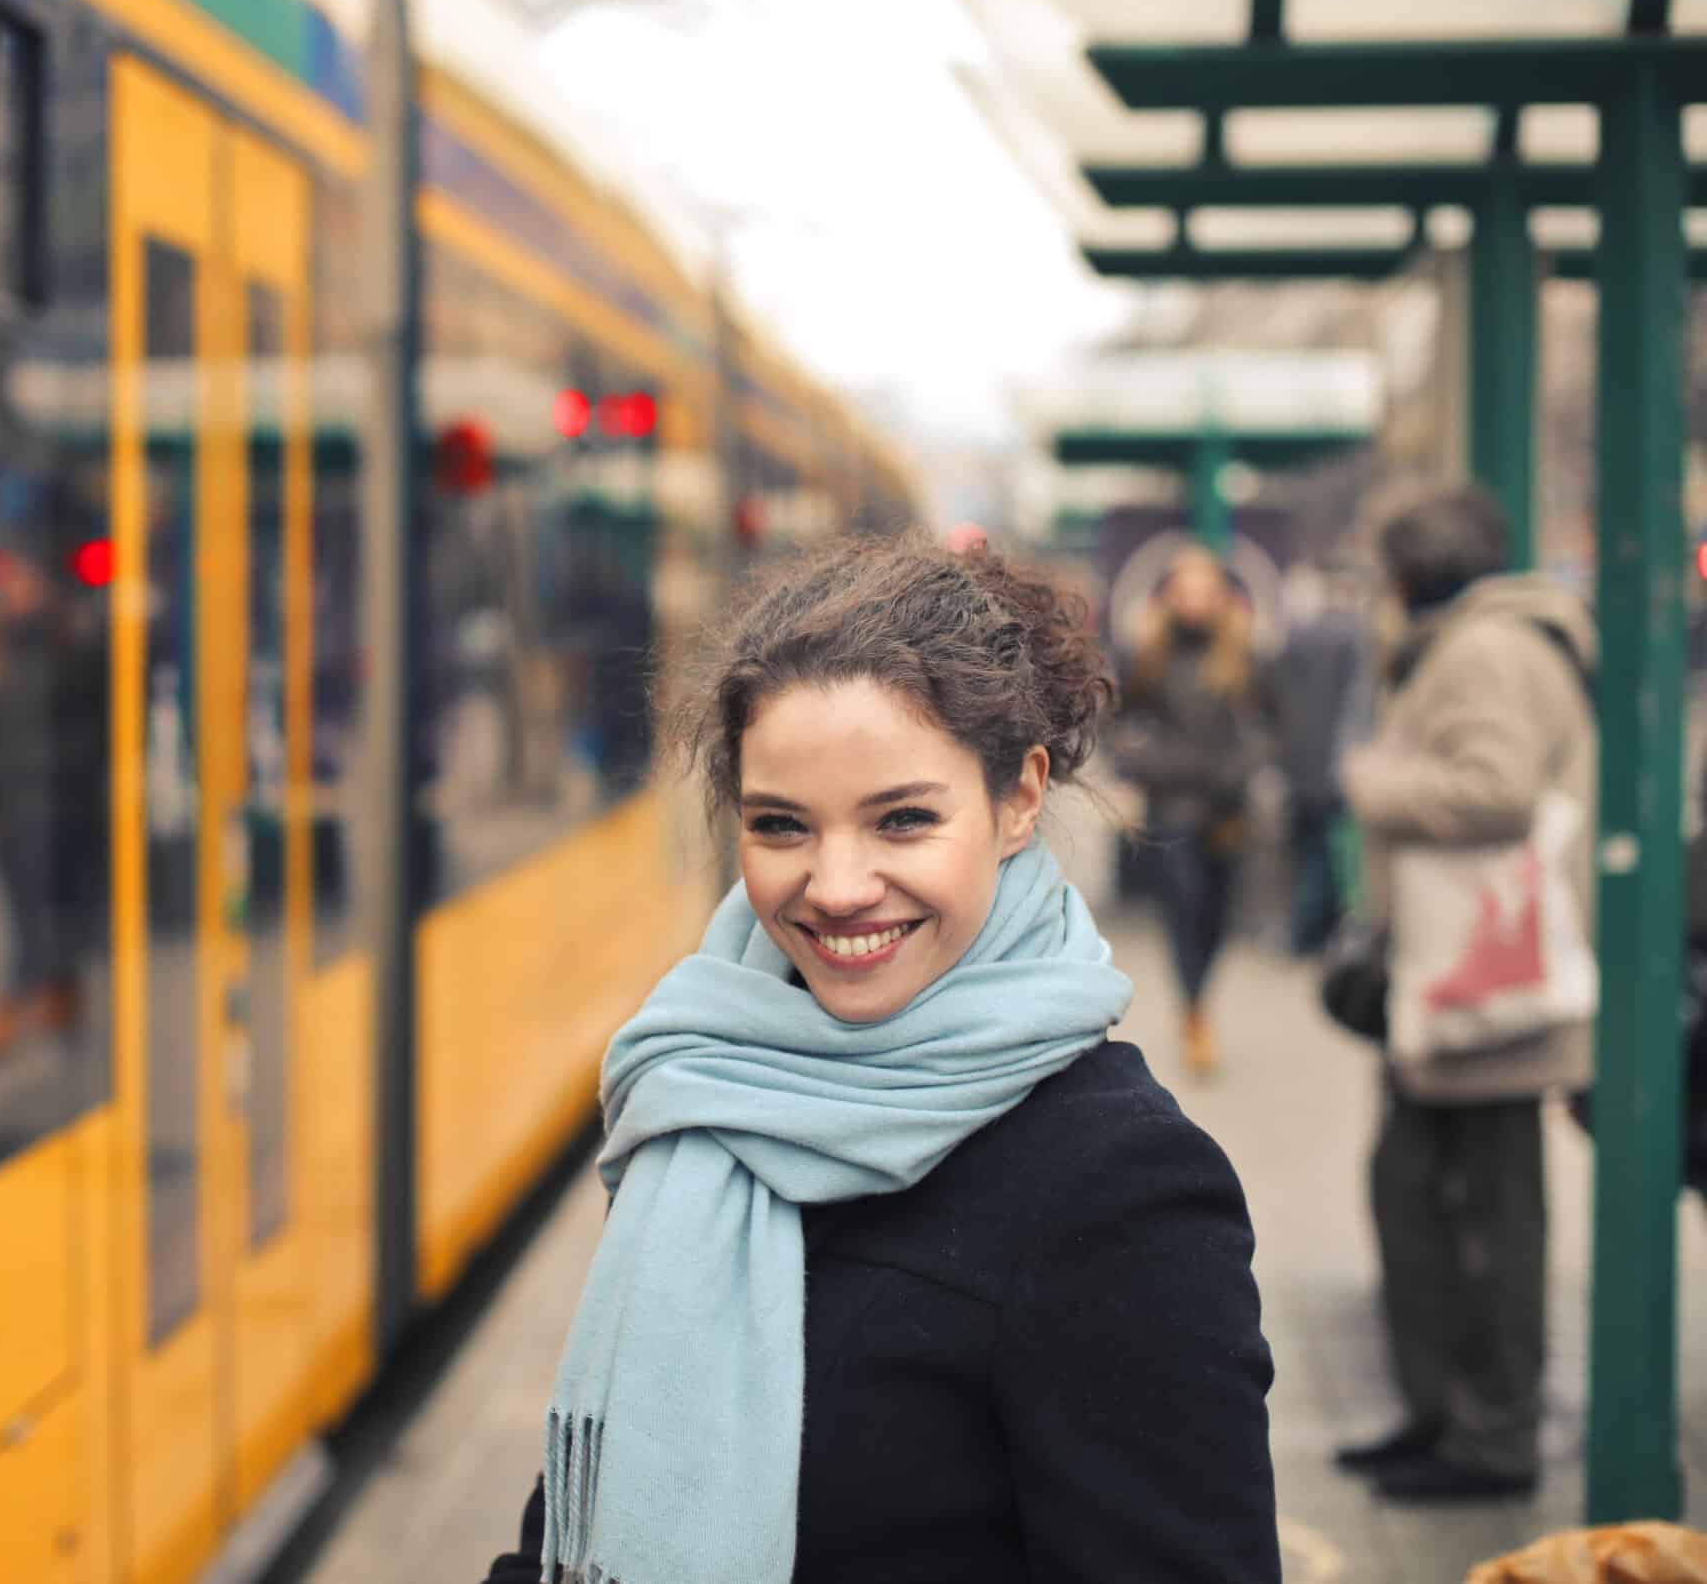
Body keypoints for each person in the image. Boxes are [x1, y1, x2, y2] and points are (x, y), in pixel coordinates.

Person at [480, 535, 1278, 1584]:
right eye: (780, 826)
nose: (837, 886)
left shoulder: (1120, 1187)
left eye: (901, 819)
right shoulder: (702, 1089)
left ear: (1019, 799)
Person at [1332, 484, 1593, 1504]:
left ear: (1409, 571)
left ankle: (1489, 1438)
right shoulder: (1491, 638)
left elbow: (1496, 791)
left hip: (1489, 993)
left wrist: (1372, 783)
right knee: (1422, 1200)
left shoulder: (1486, 650)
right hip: (1464, 986)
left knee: (1482, 1219)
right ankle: (1442, 1415)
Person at [1110, 543, 1274, 1076]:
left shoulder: (1244, 654)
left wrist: (1242, 766)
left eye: (1205, 590)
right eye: (1186, 590)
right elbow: (1116, 724)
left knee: (1217, 916)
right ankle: (1195, 1012)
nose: (1195, 601)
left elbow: (1272, 725)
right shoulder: (1148, 655)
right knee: (1185, 905)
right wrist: (1153, 763)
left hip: (1227, 806)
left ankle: (1199, 1001)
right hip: (1173, 806)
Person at [1273, 563, 1370, 955]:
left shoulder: (1295, 640)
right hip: (1333, 767)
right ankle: (1311, 932)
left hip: (1300, 765)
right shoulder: (1355, 640)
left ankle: (1304, 932)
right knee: (1329, 857)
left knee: (1310, 854)